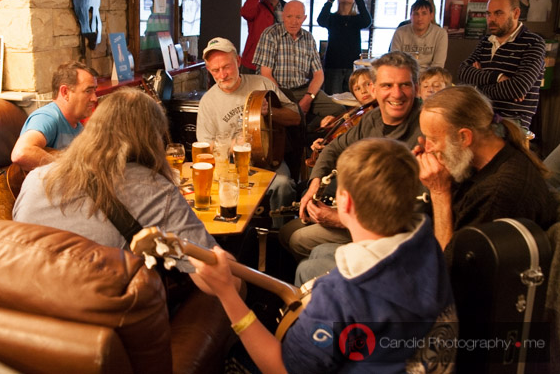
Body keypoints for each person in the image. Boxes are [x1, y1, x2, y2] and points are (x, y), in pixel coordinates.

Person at [189, 138, 457, 373]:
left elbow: (281, 368)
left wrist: (227, 293)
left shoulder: (341, 296)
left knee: (235, 358)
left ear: (345, 202)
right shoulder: (427, 245)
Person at [13, 88, 217, 255]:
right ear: (152, 138)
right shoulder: (157, 192)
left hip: (26, 300)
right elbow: (211, 267)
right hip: (104, 302)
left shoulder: (34, 179)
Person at [281, 51, 422, 269]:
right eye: (387, 86)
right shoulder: (372, 118)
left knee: (299, 241)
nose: (397, 94)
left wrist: (341, 219)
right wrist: (315, 182)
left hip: (386, 231)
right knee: (285, 232)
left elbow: (411, 214)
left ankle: (325, 279)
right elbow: (333, 148)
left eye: (405, 85)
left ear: (416, 87)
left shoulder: (425, 129)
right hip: (360, 211)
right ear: (373, 89)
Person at [415, 85, 557, 255]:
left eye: (433, 139)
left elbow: (451, 271)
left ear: (464, 137)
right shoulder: (482, 159)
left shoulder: (498, 193)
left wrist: (439, 192)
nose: (428, 148)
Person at [196, 37, 301, 212]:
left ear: (238, 61)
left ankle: (280, 236)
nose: (222, 75)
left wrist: (270, 113)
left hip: (268, 161)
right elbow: (206, 147)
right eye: (216, 70)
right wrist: (233, 146)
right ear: (208, 69)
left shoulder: (261, 83)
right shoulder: (207, 101)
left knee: (283, 185)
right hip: (229, 167)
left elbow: (296, 118)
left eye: (227, 67)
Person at [457, 0, 546, 130]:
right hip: (480, 114)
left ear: (516, 13)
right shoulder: (486, 41)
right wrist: (497, 77)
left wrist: (478, 86)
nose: (491, 19)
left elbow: (517, 89)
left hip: (511, 121)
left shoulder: (534, 43)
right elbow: (462, 72)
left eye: (498, 13)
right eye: (488, 14)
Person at [253, 0, 345, 132]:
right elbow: (266, 74)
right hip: (278, 90)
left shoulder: (308, 38)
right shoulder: (270, 34)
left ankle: (309, 132)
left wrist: (308, 99)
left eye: (298, 17)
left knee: (338, 111)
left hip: (303, 89)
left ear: (304, 18)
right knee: (291, 117)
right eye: (289, 17)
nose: (293, 21)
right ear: (282, 16)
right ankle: (303, 132)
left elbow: (319, 75)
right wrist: (287, 102)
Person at [11, 61, 98, 171]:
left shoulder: (78, 127)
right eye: (88, 91)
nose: (94, 98)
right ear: (65, 92)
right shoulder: (47, 117)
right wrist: (69, 168)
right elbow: (21, 153)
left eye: (94, 91)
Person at [317, 0, 372, 95]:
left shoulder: (357, 19)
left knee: (353, 98)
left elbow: (367, 21)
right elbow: (321, 20)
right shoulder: (332, 18)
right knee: (333, 98)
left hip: (353, 65)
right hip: (333, 65)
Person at [309, 68, 374, 157]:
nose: (363, 91)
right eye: (357, 89)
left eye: (367, 84)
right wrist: (333, 123)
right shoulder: (357, 112)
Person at [240, 0, 286, 74]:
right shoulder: (257, 8)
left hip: (279, 62)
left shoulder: (287, 8)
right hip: (254, 61)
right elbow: (245, 12)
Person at [391, 0, 449, 69]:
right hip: (406, 75)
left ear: (431, 16)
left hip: (430, 76)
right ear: (411, 16)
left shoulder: (440, 33)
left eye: (424, 13)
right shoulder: (400, 32)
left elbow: (438, 65)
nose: (420, 18)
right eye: (416, 14)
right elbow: (396, 61)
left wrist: (426, 79)